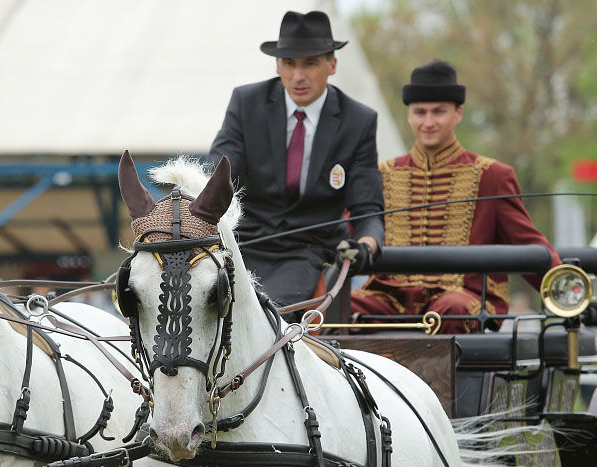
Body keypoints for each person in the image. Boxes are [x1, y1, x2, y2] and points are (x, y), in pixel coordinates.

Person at [350, 60, 561, 333]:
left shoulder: (492, 175)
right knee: (340, 309)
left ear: (458, 113)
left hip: (463, 297)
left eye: (439, 112)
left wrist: (564, 290)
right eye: (420, 112)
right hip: (389, 299)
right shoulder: (382, 174)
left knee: (453, 308)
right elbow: (346, 230)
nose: (428, 122)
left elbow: (528, 242)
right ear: (408, 116)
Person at [208, 10, 384, 307]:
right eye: (289, 64)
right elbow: (217, 177)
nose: (298, 76)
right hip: (243, 244)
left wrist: (367, 244)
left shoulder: (359, 121)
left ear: (332, 65)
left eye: (310, 64)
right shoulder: (246, 104)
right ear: (277, 65)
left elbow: (368, 208)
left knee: (270, 317)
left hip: (311, 250)